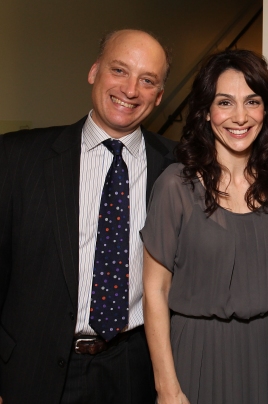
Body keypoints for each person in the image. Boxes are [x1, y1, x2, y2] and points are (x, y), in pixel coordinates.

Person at [0, 29, 176, 403]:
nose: (130, 90)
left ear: (159, 96)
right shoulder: (17, 158)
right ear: (94, 71)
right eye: (119, 70)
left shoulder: (180, 167)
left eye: (147, 80)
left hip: (135, 369)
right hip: (31, 370)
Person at [141, 49, 268, 404]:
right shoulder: (175, 186)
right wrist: (167, 388)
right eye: (225, 102)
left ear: (265, 110)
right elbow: (155, 292)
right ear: (206, 113)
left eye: (252, 101)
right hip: (200, 352)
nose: (240, 117)